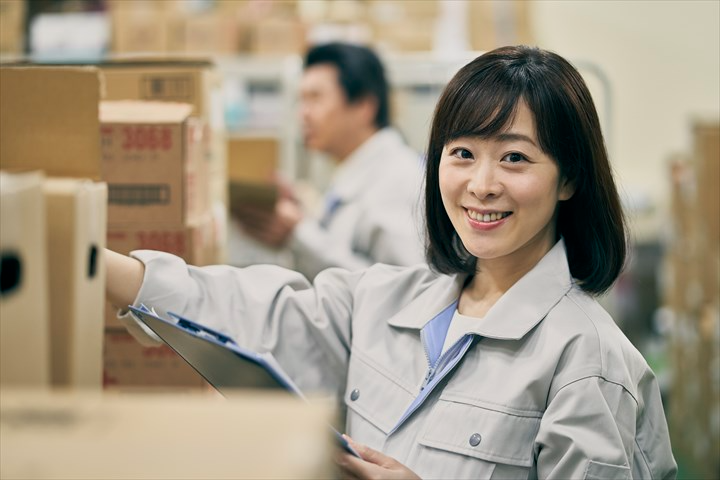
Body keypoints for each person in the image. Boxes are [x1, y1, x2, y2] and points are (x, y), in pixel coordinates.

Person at [107, 45, 677, 479]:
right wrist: (89, 260)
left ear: (569, 178)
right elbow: (247, 310)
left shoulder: (589, 361)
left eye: (514, 158)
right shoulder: (387, 300)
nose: (481, 184)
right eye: (462, 154)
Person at [232, 42, 425, 280]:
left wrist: (298, 234)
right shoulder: (357, 169)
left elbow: (404, 286)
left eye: (315, 98)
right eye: (300, 100)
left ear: (364, 105)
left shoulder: (398, 179)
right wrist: (301, 216)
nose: (303, 113)